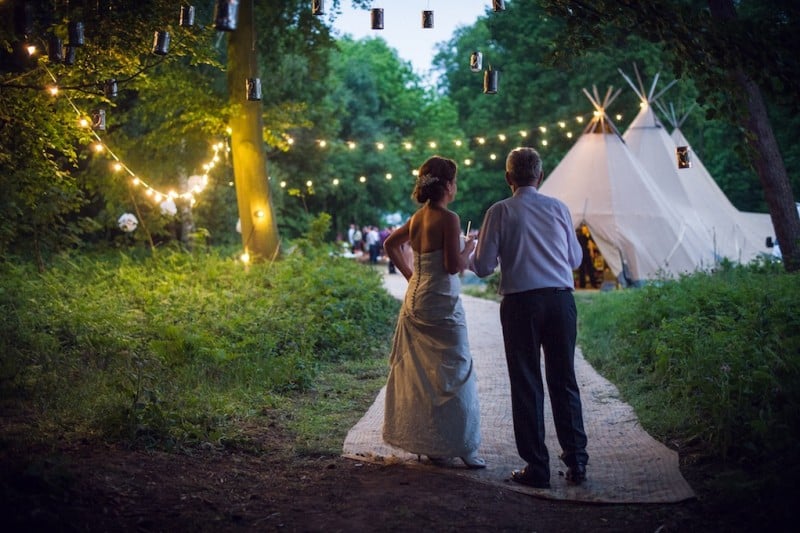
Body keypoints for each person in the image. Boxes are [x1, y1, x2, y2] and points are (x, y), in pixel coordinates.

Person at [470, 147, 588, 488]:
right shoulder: (559, 208)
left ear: (508, 177)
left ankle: (537, 467)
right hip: (560, 301)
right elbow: (575, 260)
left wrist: (471, 251)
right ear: (541, 175)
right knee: (564, 380)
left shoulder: (499, 211)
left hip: (521, 304)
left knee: (526, 383)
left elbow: (483, 266)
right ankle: (577, 461)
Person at [382, 155, 485, 469]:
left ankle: (432, 443)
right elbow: (454, 266)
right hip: (441, 301)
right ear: (448, 185)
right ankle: (461, 444)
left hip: (416, 299)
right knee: (456, 368)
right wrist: (469, 247)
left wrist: (410, 276)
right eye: (455, 181)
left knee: (424, 373)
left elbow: (390, 245)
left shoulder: (417, 218)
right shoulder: (449, 218)